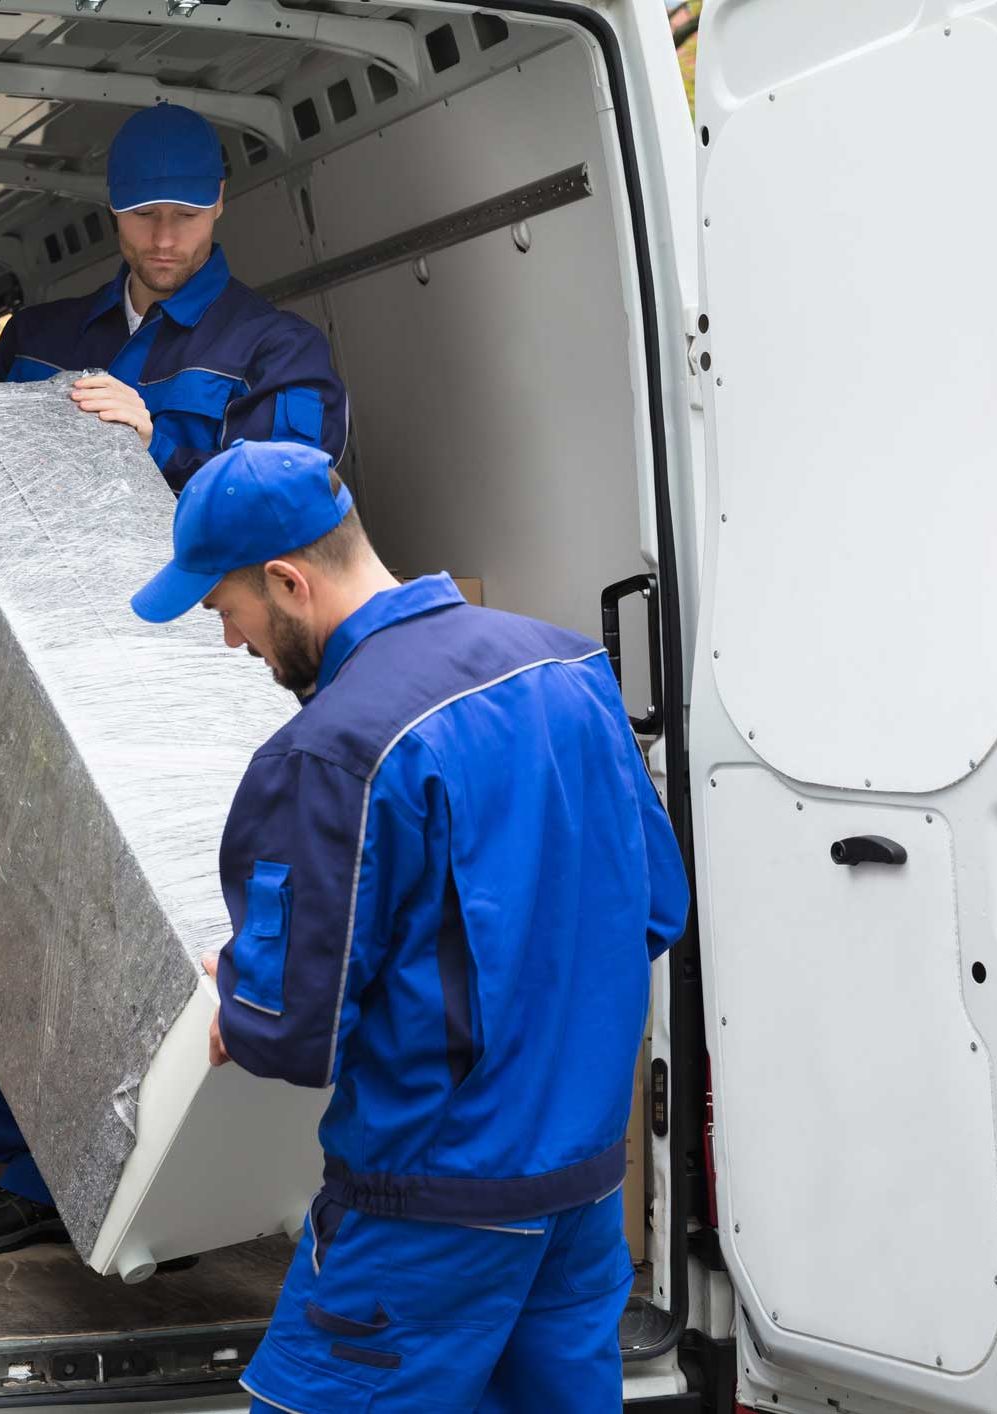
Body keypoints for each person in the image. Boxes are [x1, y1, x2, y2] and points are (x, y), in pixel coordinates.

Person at [0, 104, 349, 1258]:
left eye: (185, 217)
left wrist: (159, 442)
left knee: (199, 927)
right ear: (112, 212)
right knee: (31, 906)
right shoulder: (45, 332)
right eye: (143, 218)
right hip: (39, 674)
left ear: (218, 208)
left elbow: (300, 504)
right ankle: (37, 1172)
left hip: (198, 680)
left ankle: (196, 1182)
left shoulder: (276, 349)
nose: (163, 241)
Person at [128, 441, 689, 1410]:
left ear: (286, 582)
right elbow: (654, 908)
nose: (232, 643)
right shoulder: (569, 670)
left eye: (226, 612)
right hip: (582, 1198)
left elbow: (291, 1027)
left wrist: (238, 993)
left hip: (432, 1211)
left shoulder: (334, 751)